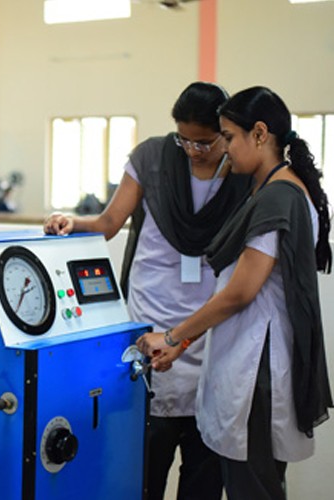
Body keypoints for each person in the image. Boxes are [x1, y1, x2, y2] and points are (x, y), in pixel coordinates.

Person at [44, 82, 253, 499]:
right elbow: (109, 222)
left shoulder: (242, 174)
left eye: (206, 142)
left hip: (210, 329)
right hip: (151, 320)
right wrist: (72, 222)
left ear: (225, 133)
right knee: (141, 473)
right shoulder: (153, 158)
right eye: (185, 139)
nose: (194, 150)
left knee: (203, 476)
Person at [137, 86, 333, 500]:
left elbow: (240, 292)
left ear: (259, 134)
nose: (223, 149)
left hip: (256, 369)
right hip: (248, 360)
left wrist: (173, 336)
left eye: (228, 136)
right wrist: (183, 341)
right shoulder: (273, 189)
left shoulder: (279, 195)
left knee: (253, 488)